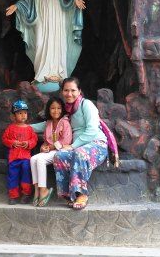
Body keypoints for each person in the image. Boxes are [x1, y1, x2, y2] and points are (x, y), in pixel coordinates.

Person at [5, 0, 86, 85]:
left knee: (56, 37)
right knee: (41, 39)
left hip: (57, 9)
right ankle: (42, 74)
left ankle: (58, 73)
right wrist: (17, 5)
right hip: (41, 9)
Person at [31, 77, 108, 210]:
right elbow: (49, 124)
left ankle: (81, 194)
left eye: (73, 90)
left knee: (79, 153)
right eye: (66, 90)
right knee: (59, 155)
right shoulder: (67, 110)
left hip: (96, 144)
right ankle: (68, 194)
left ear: (79, 91)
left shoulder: (86, 105)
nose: (69, 93)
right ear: (62, 92)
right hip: (77, 147)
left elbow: (92, 130)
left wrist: (73, 145)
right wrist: (24, 127)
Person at [30, 97, 73, 207]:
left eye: (59, 108)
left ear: (62, 109)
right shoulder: (48, 123)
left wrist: (50, 148)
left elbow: (66, 141)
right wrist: (43, 148)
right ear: (48, 110)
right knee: (33, 159)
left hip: (61, 151)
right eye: (53, 108)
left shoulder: (65, 123)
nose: (56, 111)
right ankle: (37, 190)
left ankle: (44, 190)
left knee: (40, 160)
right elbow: (46, 141)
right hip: (50, 151)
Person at [2, 99, 38, 205]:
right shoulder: (10, 128)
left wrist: (28, 143)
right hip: (13, 158)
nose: (23, 115)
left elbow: (34, 140)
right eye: (20, 113)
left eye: (25, 113)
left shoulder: (30, 129)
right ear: (13, 116)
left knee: (26, 173)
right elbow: (4, 139)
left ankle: (26, 194)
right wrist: (12, 142)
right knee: (12, 175)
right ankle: (13, 196)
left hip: (26, 158)